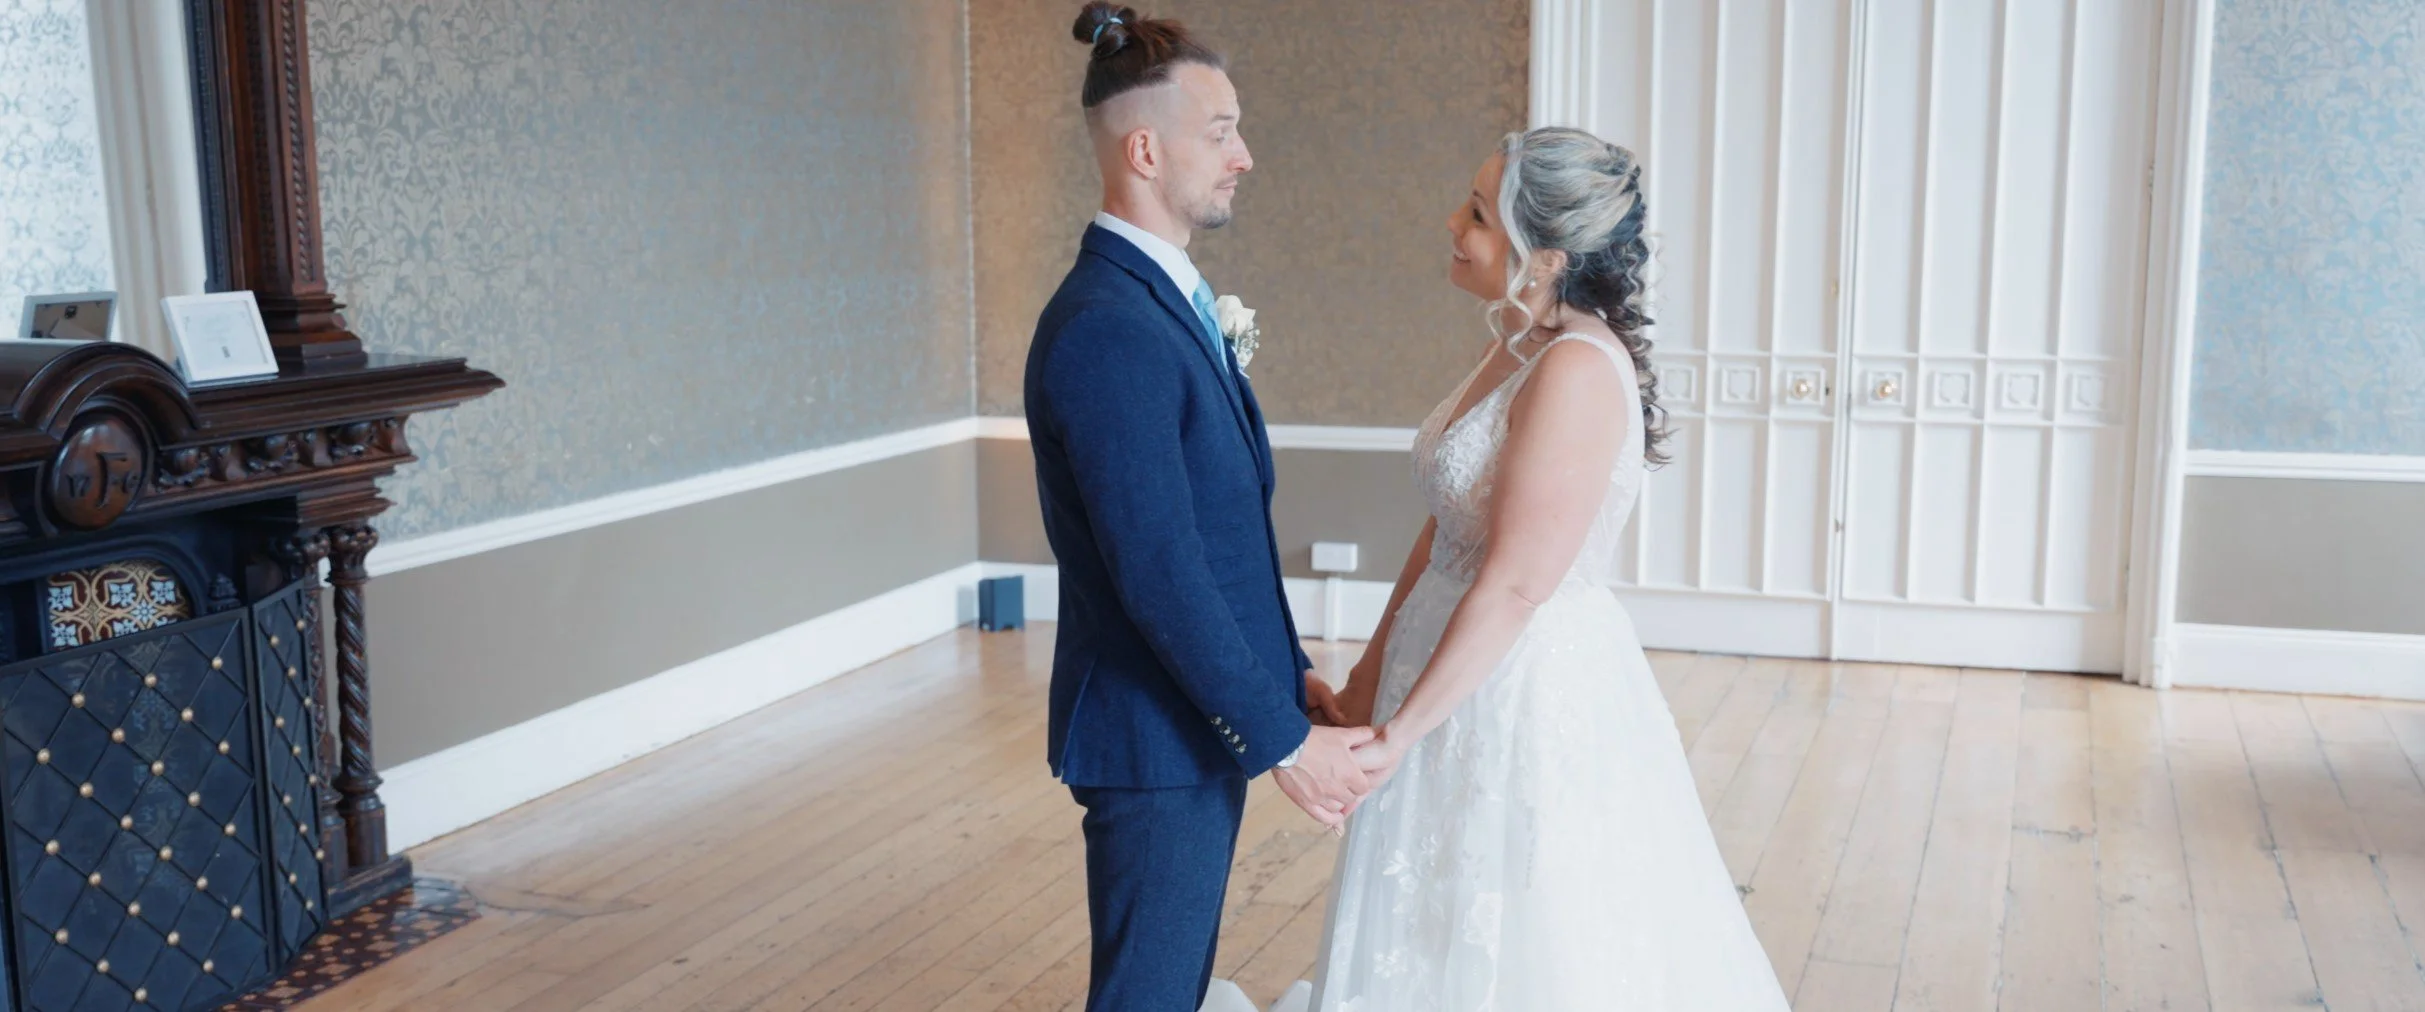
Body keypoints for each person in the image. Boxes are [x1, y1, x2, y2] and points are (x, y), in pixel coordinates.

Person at [1229, 127, 1795, 1011]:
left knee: (1522, 914)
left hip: (1517, 678)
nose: (1453, 222)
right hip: (1443, 658)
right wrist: (1369, 684)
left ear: (1546, 256)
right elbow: (1445, 531)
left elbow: (1517, 582)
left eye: (1480, 214)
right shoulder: (1519, 340)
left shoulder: (1572, 366)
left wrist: (1399, 736)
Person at [1022, 5, 1376, 1010]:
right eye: (1219, 132)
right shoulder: (1106, 328)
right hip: (1151, 732)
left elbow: (1219, 536)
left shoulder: (1159, 302)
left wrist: (1286, 673)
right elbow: (1158, 570)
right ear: (1144, 147)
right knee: (1148, 995)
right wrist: (1283, 745)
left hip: (1186, 722)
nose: (1244, 156)